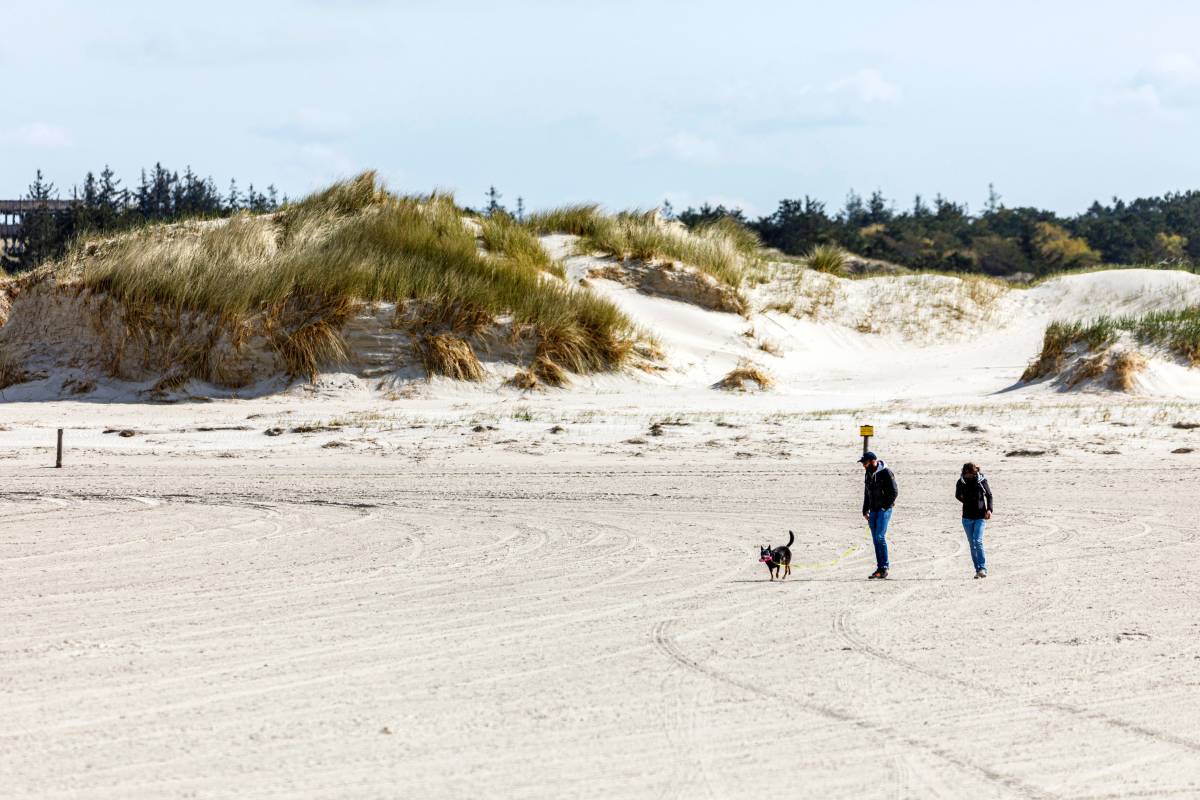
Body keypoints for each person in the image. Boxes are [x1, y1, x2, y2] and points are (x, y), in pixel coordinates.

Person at [859, 451, 898, 579]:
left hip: (884, 510)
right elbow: (867, 492)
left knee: (880, 536)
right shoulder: (868, 473)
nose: (863, 466)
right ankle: (880, 568)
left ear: (873, 461)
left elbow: (894, 492)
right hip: (873, 510)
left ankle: (884, 568)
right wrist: (865, 510)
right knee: (876, 539)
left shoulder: (886, 472)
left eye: (865, 463)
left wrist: (884, 507)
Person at [956, 462, 993, 579]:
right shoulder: (961, 482)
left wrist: (989, 509)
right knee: (972, 544)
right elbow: (957, 495)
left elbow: (989, 495)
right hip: (966, 518)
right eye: (966, 473)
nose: (968, 476)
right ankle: (977, 570)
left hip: (980, 517)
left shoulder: (981, 481)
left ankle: (983, 568)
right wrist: (967, 502)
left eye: (970, 474)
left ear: (974, 472)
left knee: (978, 541)